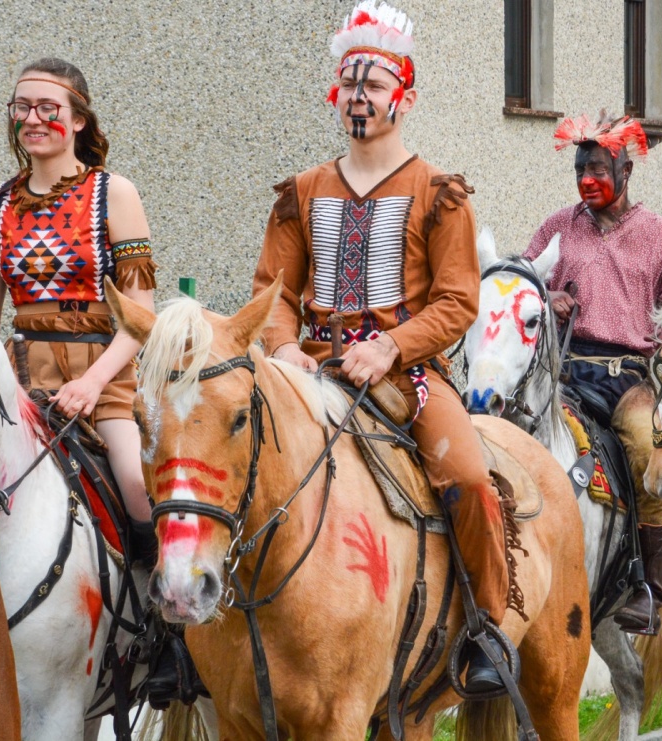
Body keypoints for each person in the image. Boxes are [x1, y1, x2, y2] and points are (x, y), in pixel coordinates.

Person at [251, 1, 516, 692]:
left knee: (470, 481)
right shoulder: (300, 192)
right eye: (350, 83)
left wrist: (392, 347)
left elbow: (459, 299)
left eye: (375, 83)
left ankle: (488, 631)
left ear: (407, 95)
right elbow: (274, 290)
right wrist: (282, 347)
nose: (359, 95)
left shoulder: (441, 193)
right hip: (309, 367)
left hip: (410, 377)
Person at [522, 111, 662, 634]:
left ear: (627, 171)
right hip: (563, 372)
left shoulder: (661, 235)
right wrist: (544, 293)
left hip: (630, 378)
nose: (587, 181)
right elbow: (521, 276)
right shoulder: (558, 226)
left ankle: (648, 587)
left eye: (599, 169)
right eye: (581, 170)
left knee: (648, 451)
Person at [0, 58, 157, 561]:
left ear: (78, 119)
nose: (32, 119)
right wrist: (1, 385)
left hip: (105, 380)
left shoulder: (113, 193)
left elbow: (141, 315)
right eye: (21, 107)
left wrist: (93, 384)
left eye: (47, 107)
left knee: (137, 488)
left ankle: (167, 630)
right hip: (21, 380)